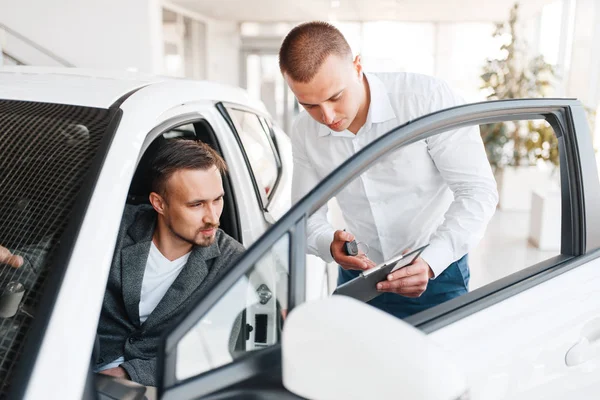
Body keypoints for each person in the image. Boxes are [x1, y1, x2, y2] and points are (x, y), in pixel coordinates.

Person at [279, 21, 499, 319]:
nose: (327, 116)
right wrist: (328, 244)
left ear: (357, 66)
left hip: (438, 271)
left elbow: (478, 192)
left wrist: (432, 260)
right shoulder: (305, 131)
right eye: (310, 105)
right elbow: (306, 217)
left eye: (335, 97)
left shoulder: (426, 99)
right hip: (360, 277)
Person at [1, 139, 245, 386]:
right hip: (70, 366)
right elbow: (46, 258)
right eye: (197, 204)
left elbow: (219, 350)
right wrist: (13, 259)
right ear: (159, 203)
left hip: (153, 385)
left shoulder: (234, 261)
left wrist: (129, 374)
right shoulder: (114, 225)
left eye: (217, 200)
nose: (213, 218)